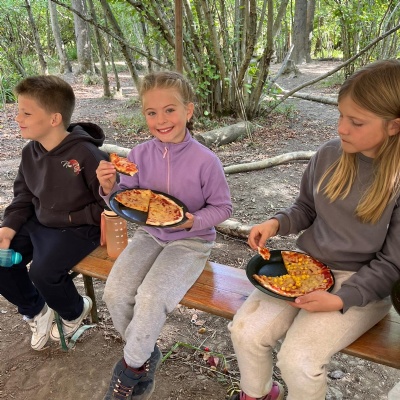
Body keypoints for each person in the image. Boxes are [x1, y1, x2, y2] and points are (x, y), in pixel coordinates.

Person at [228, 59, 400, 400]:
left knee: (298, 360)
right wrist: (276, 223)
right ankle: (258, 393)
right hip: (306, 267)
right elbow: (306, 208)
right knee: (246, 332)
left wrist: (340, 298)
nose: (342, 128)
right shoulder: (329, 154)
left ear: (394, 126)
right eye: (341, 115)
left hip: (361, 283)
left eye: (356, 122)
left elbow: (392, 265)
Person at [96, 70, 232, 399]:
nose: (161, 120)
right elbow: (127, 199)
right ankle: (144, 353)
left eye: (170, 110)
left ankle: (130, 369)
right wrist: (109, 188)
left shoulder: (206, 161)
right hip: (150, 235)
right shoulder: (139, 155)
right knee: (114, 293)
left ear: (188, 110)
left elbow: (223, 207)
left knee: (151, 297)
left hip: (191, 241)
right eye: (151, 112)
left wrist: (193, 221)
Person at [0, 75, 108, 351]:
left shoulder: (86, 155)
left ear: (54, 119)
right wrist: (8, 229)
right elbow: (24, 196)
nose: (17, 118)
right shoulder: (30, 152)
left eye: (26, 113)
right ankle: (36, 311)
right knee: (1, 258)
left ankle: (75, 310)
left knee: (43, 272)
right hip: (41, 222)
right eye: (18, 111)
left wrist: (71, 218)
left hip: (79, 229)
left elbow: (108, 205)